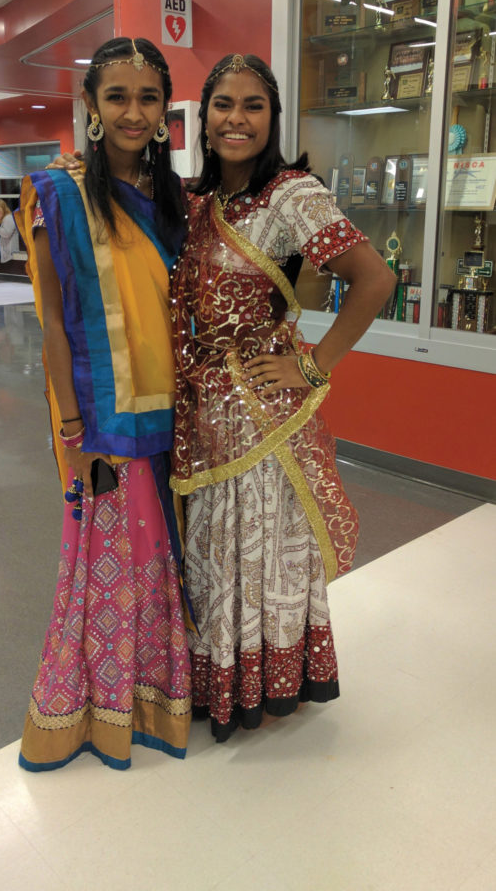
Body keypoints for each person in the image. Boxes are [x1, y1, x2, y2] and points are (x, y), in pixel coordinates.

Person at [169, 53, 397, 742]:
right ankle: (219, 678)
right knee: (213, 551)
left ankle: (264, 686)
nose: (236, 119)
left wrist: (316, 366)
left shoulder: (290, 195)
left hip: (259, 417)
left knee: (256, 551)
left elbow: (374, 280)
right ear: (203, 117)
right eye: (223, 105)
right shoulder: (199, 200)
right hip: (200, 413)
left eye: (253, 106)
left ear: (271, 119)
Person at [16, 37, 192, 772]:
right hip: (100, 421)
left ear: (163, 110)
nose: (133, 111)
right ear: (91, 105)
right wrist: (70, 429)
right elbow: (54, 322)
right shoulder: (57, 193)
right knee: (112, 568)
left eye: (148, 97)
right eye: (116, 96)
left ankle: (168, 690)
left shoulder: (175, 198)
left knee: (168, 563)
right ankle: (100, 707)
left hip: (178, 418)